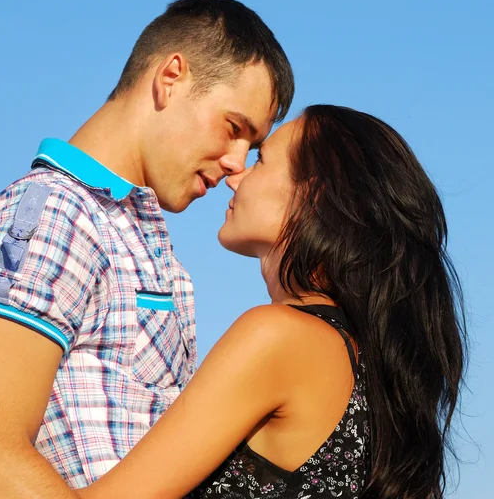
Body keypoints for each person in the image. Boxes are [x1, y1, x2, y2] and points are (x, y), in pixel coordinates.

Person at [0, 0, 295, 498]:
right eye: (234, 128)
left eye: (252, 148)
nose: (238, 162)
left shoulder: (146, 248)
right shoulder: (54, 214)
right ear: (171, 78)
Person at [76, 105, 467, 499]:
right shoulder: (369, 373)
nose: (235, 176)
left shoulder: (279, 337)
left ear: (312, 196)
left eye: (260, 160)